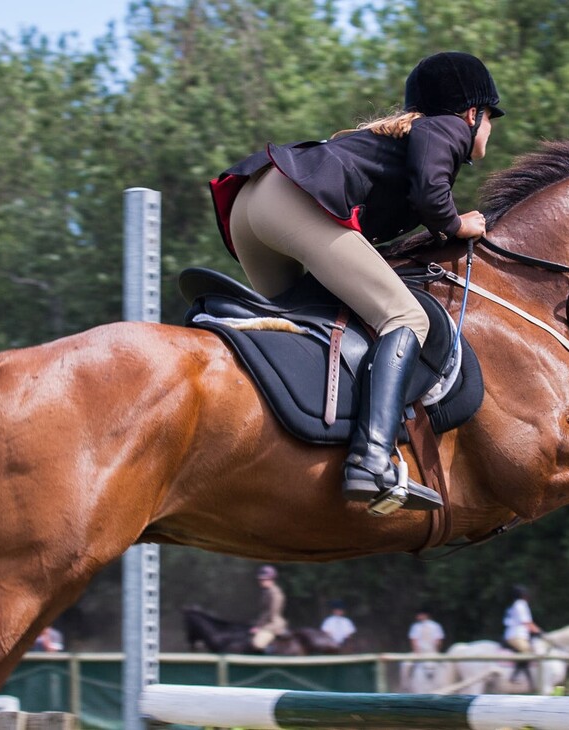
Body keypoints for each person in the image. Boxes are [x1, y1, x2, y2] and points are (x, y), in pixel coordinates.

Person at [209, 51, 504, 515]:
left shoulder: (393, 139)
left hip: (252, 206)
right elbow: (432, 195)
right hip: (291, 204)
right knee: (406, 316)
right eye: (491, 119)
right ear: (473, 114)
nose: (490, 130)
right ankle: (371, 459)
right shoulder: (443, 128)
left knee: (301, 324)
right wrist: (457, 225)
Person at [250, 565, 288, 652]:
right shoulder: (266, 592)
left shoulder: (275, 593)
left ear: (271, 579)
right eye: (260, 579)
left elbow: (271, 613)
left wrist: (259, 627)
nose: (261, 581)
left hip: (273, 624)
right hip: (265, 622)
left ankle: (272, 656)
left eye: (264, 579)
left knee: (257, 643)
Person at [503, 585, 540, 653]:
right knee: (529, 652)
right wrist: (539, 632)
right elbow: (527, 622)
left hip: (512, 635)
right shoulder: (521, 604)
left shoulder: (513, 604)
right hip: (517, 636)